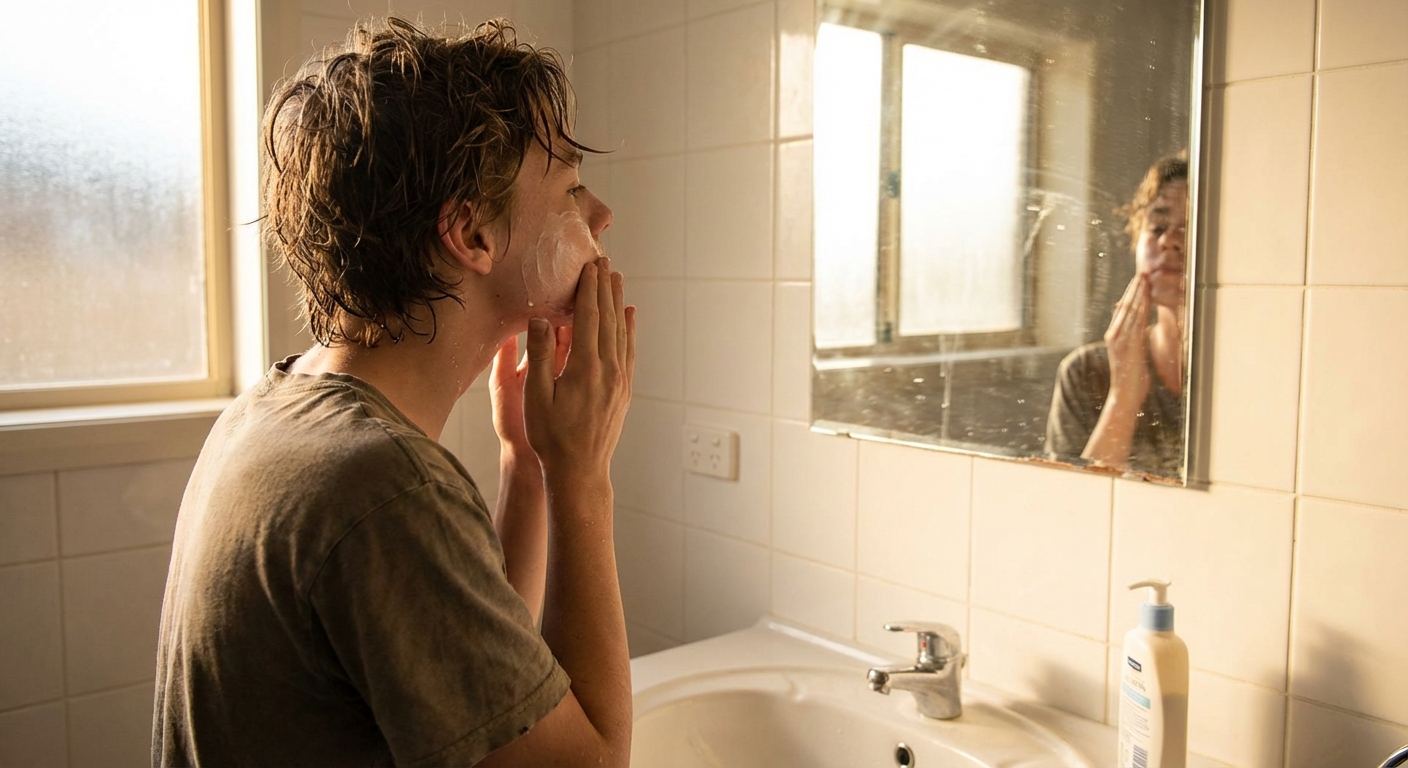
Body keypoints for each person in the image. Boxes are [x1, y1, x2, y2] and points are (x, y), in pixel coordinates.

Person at [152, 17, 636, 767]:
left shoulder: (276, 410)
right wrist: (584, 478)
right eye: (571, 188)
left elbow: (478, 679)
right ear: (471, 234)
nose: (600, 215)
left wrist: (529, 469)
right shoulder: (385, 487)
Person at [1046, 152, 1188, 476]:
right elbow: (1066, 507)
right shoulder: (1084, 374)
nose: (1169, 241)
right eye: (1158, 226)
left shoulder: (1243, 378)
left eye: (1191, 228)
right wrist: (1124, 395)